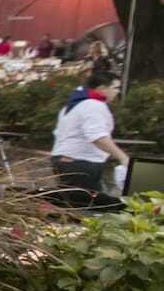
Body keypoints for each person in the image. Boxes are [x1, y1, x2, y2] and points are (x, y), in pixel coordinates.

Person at [50, 68, 129, 209]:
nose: (118, 92)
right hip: (81, 162)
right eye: (115, 88)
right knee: (85, 208)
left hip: (68, 160)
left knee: (74, 204)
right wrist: (122, 157)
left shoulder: (76, 103)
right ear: (102, 88)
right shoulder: (93, 105)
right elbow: (97, 137)